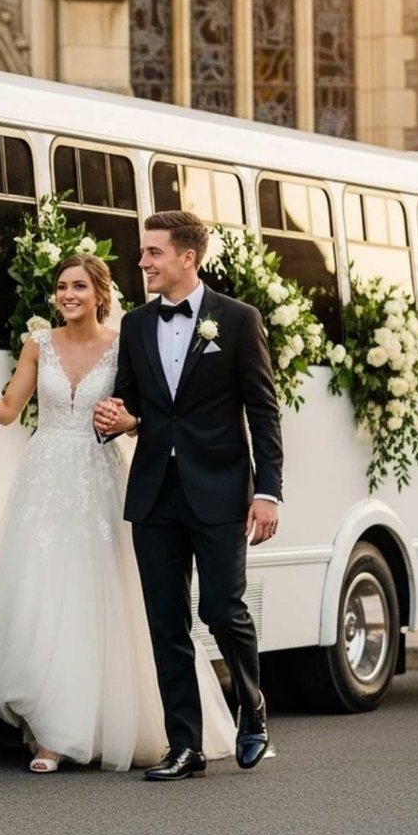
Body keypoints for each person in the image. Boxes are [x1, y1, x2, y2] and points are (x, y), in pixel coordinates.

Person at [0, 253, 235, 774]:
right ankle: (53, 734)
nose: (68, 295)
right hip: (46, 481)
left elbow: (148, 416)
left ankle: (118, 726)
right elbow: (11, 410)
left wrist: (126, 421)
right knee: (46, 599)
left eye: (78, 286)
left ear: (100, 293)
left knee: (98, 601)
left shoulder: (127, 343)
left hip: (100, 480)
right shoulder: (40, 344)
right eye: (61, 287)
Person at [93, 210, 282, 781]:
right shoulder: (135, 325)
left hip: (222, 490)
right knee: (165, 621)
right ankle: (185, 746)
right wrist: (115, 419)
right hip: (154, 492)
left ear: (186, 258)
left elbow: (263, 411)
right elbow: (132, 402)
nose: (143, 262)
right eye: (143, 252)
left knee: (222, 609)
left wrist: (268, 492)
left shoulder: (238, 320)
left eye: (153, 253)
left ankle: (252, 706)